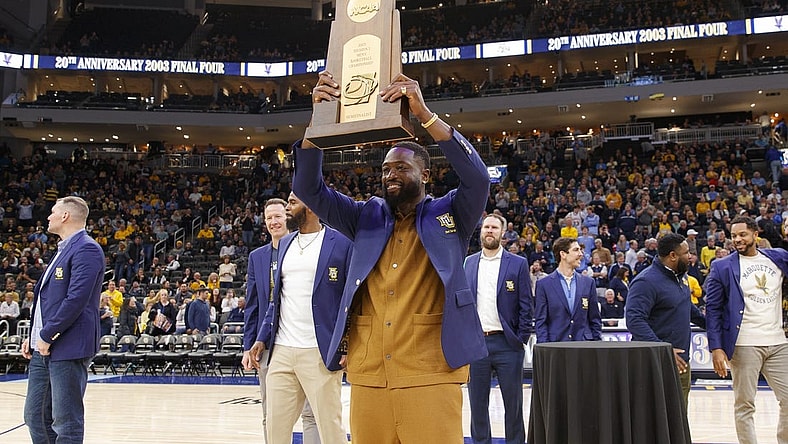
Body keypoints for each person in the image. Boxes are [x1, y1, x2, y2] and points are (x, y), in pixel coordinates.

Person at [295, 71, 488, 443]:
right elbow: (308, 187)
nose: (390, 175)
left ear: (425, 175)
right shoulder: (364, 215)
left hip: (431, 370)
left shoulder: (451, 214)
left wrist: (426, 115)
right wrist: (317, 121)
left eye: (401, 167)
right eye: (385, 169)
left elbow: (478, 179)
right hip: (369, 374)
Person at [250, 192, 352, 444]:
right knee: (275, 428)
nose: (286, 208)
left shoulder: (341, 243)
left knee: (330, 428)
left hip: (319, 351)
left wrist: (349, 343)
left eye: (292, 203)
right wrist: (261, 338)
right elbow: (277, 298)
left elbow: (353, 299)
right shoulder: (285, 244)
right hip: (282, 351)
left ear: (312, 207)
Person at [21, 196, 105, 443]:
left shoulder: (86, 248)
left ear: (66, 216)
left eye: (52, 212)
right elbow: (48, 300)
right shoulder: (63, 249)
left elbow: (76, 299)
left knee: (66, 421)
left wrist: (47, 335)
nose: (48, 216)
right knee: (35, 416)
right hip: (44, 347)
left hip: (67, 345)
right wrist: (34, 337)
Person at [705, 215, 788, 444]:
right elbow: (712, 309)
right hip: (743, 344)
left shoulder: (779, 258)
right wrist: (716, 348)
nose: (737, 239)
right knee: (745, 405)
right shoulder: (722, 266)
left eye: (742, 234)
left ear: (755, 235)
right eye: (734, 235)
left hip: (779, 341)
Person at [243, 198, 320, 443]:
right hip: (269, 345)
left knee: (312, 413)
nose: (274, 222)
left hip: (306, 340)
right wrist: (249, 344)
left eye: (278, 216)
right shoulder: (257, 257)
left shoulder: (305, 247)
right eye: (269, 218)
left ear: (287, 217)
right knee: (272, 414)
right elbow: (253, 305)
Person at [463, 214, 532, 444]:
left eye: (494, 227)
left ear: (503, 233)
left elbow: (526, 305)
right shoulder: (469, 263)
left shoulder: (518, 263)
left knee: (513, 405)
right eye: (486, 227)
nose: (489, 231)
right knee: (477, 405)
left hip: (507, 344)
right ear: (481, 231)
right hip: (477, 345)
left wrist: (520, 338)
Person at [626, 233, 706, 411]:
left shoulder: (681, 277)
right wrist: (663, 349)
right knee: (650, 417)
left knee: (678, 418)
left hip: (681, 363)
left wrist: (713, 326)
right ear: (672, 256)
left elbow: (687, 308)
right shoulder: (645, 281)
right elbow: (634, 320)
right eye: (686, 253)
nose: (691, 256)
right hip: (653, 362)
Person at [534, 237, 602, 342]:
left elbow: (595, 320)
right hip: (557, 348)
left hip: (584, 347)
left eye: (580, 250)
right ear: (563, 254)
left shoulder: (588, 283)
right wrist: (545, 348)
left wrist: (596, 345)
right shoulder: (544, 285)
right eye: (576, 250)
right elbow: (541, 322)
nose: (581, 254)